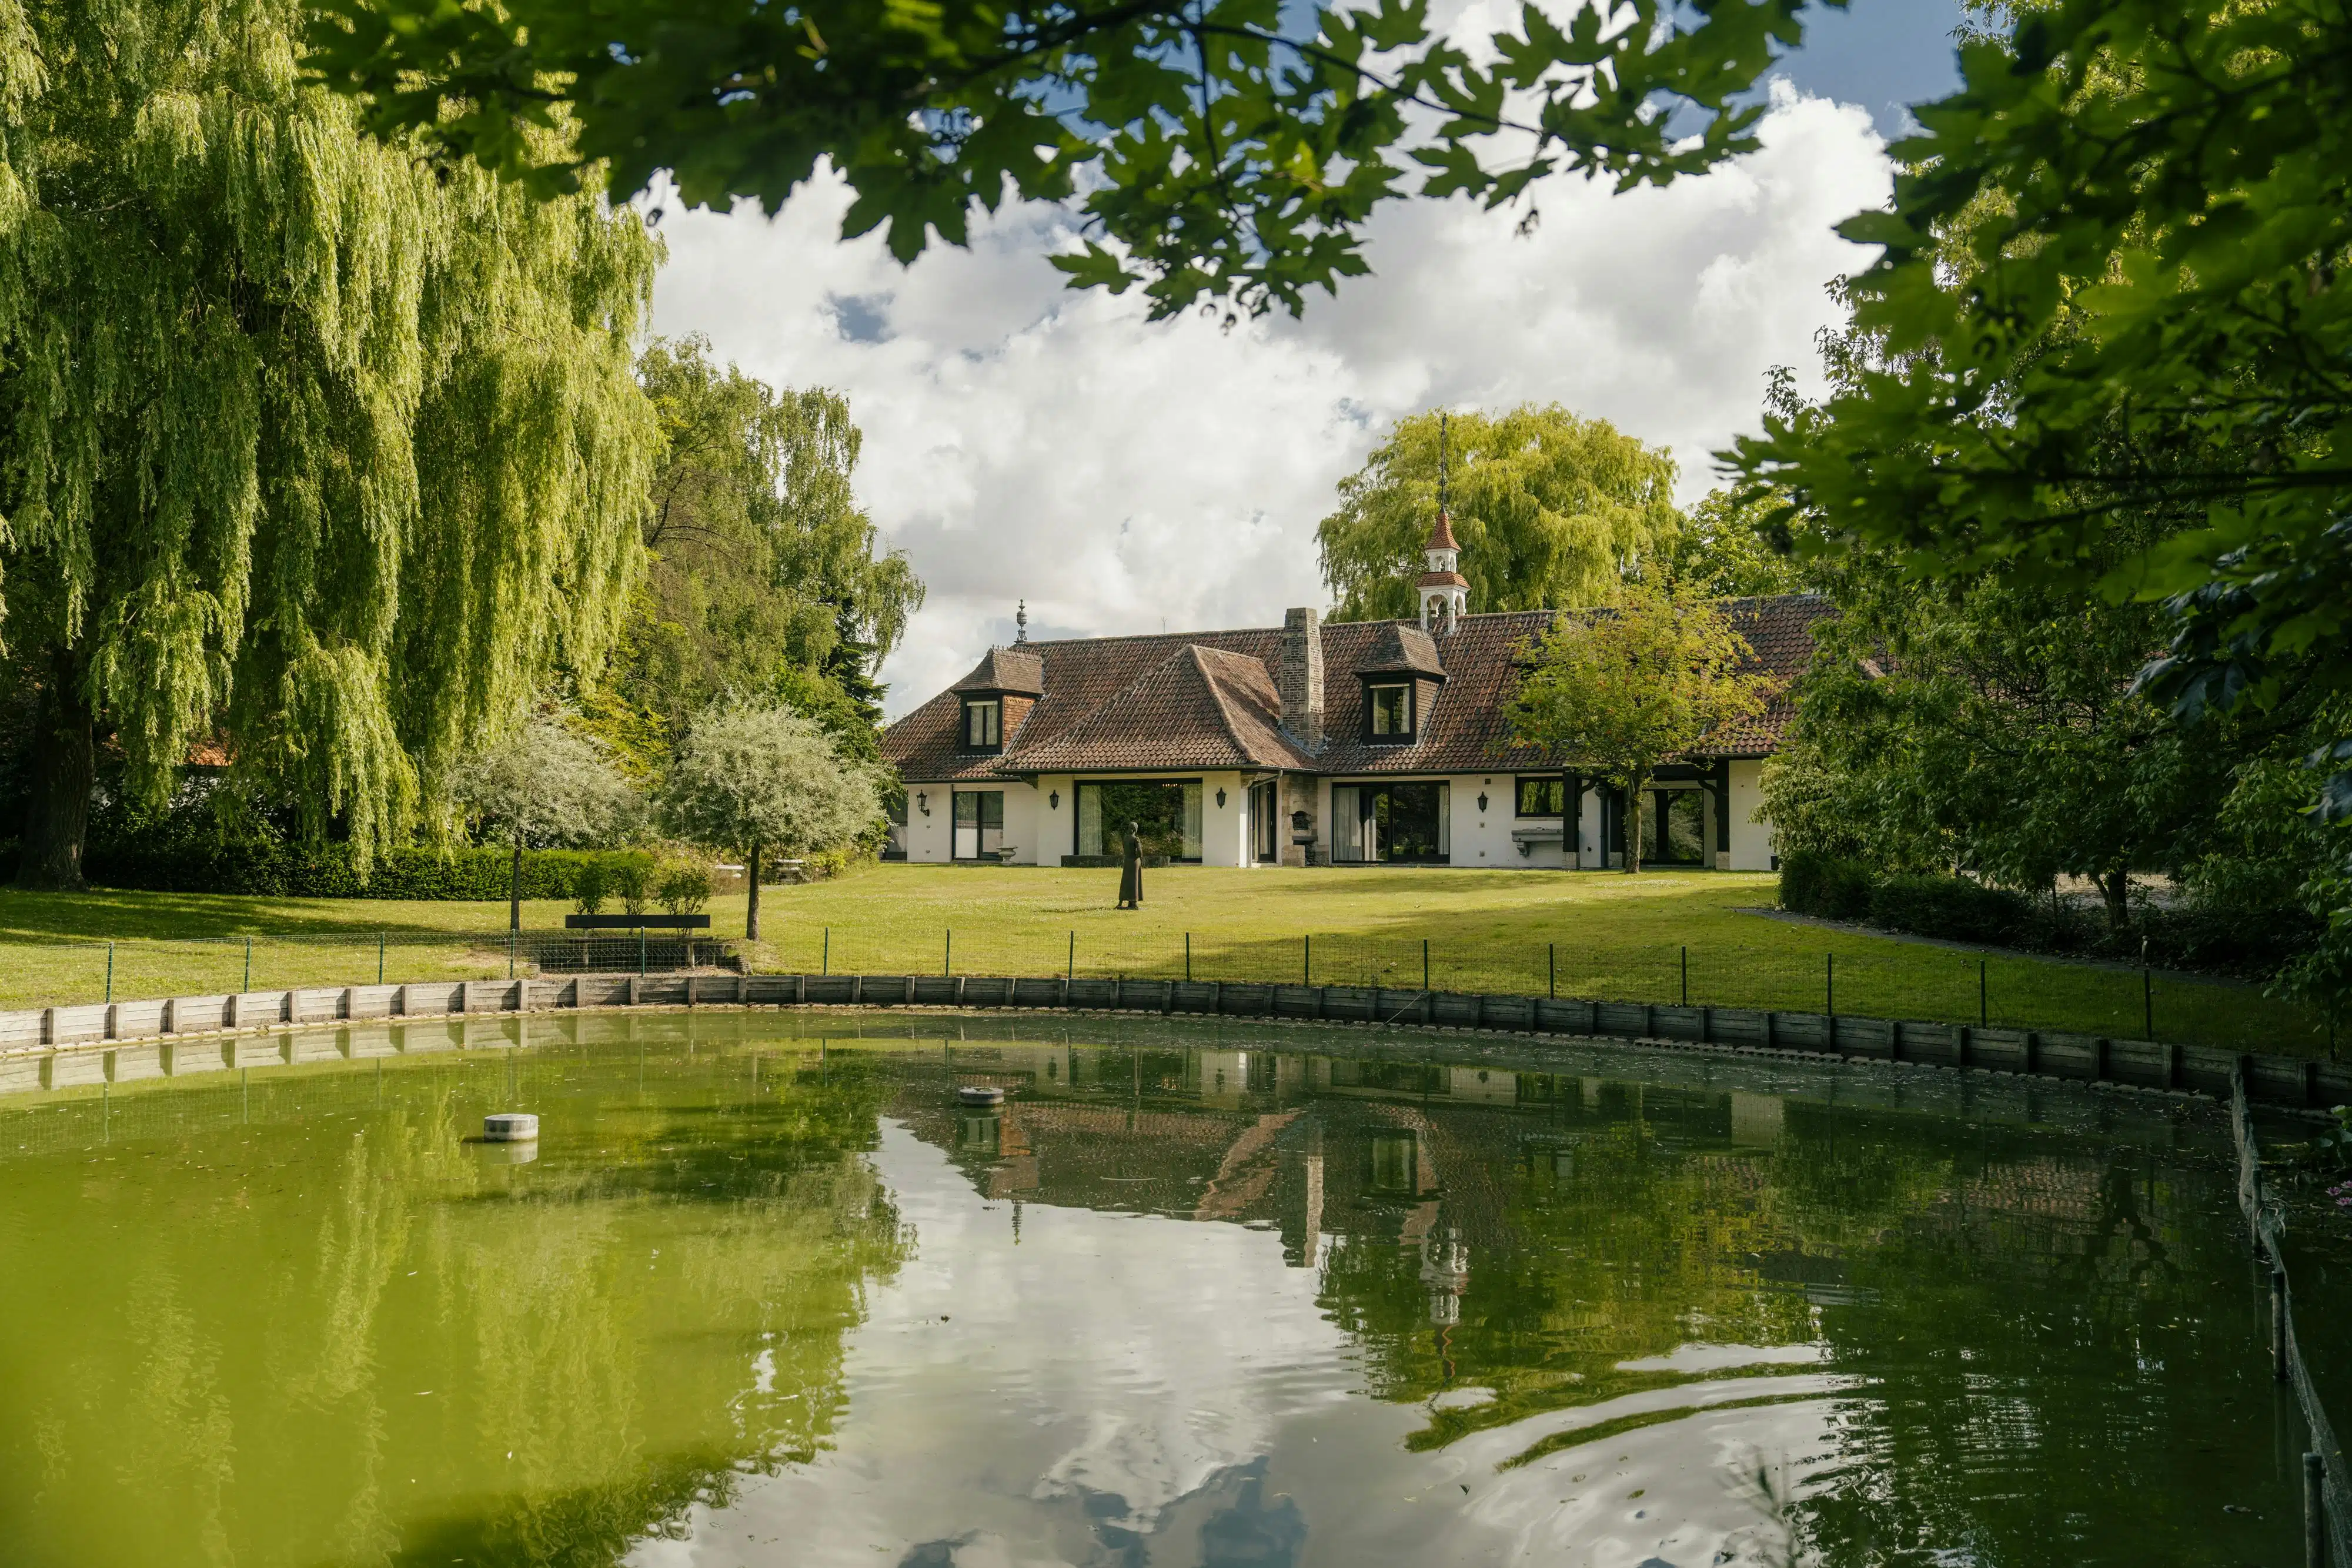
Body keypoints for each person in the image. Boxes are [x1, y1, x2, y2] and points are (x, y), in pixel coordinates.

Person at [1117, 821, 1144, 909]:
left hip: (1127, 860)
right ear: (1135, 830)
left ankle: (1122, 901)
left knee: (1125, 881)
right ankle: (1134, 903)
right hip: (1134, 861)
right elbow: (1140, 853)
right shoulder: (1136, 839)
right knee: (1135, 881)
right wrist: (1136, 856)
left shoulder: (1125, 838)